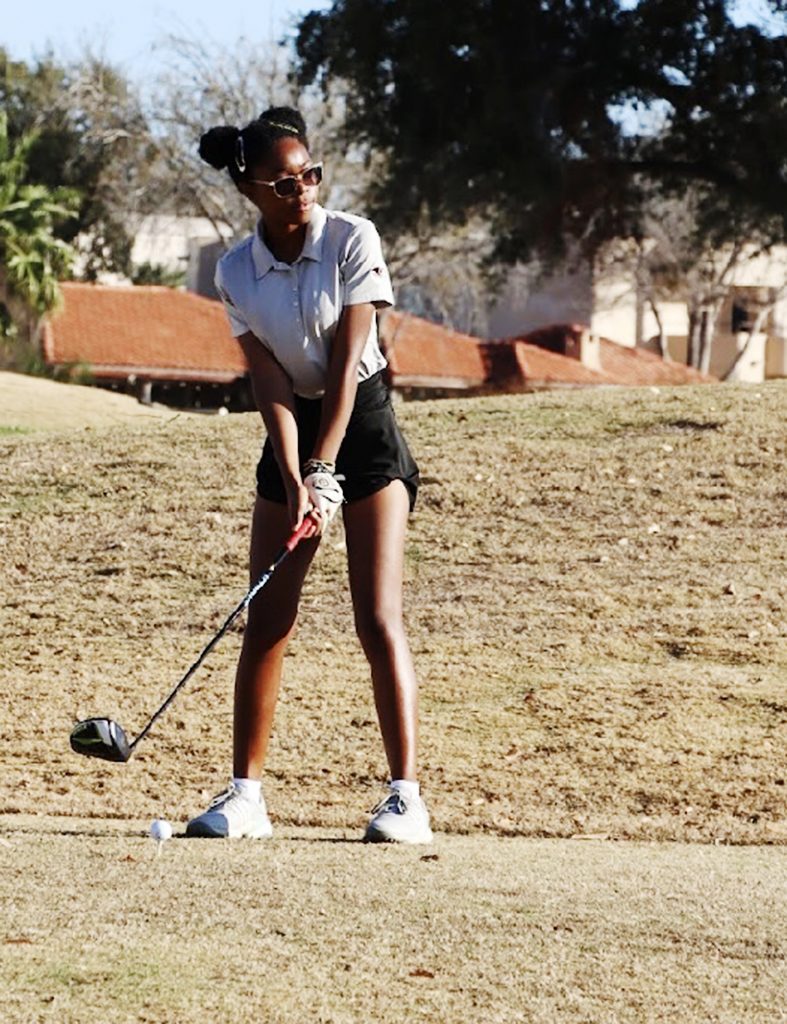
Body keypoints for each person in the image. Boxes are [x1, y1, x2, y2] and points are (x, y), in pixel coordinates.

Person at [186, 106, 432, 844]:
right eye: (286, 182)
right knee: (267, 616)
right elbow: (266, 381)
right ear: (252, 189)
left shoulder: (352, 238)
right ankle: (245, 798)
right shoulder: (234, 272)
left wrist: (327, 471)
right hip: (291, 426)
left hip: (363, 422)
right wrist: (294, 477)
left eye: (310, 176)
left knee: (376, 617)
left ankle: (404, 800)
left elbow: (350, 364)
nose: (303, 190)